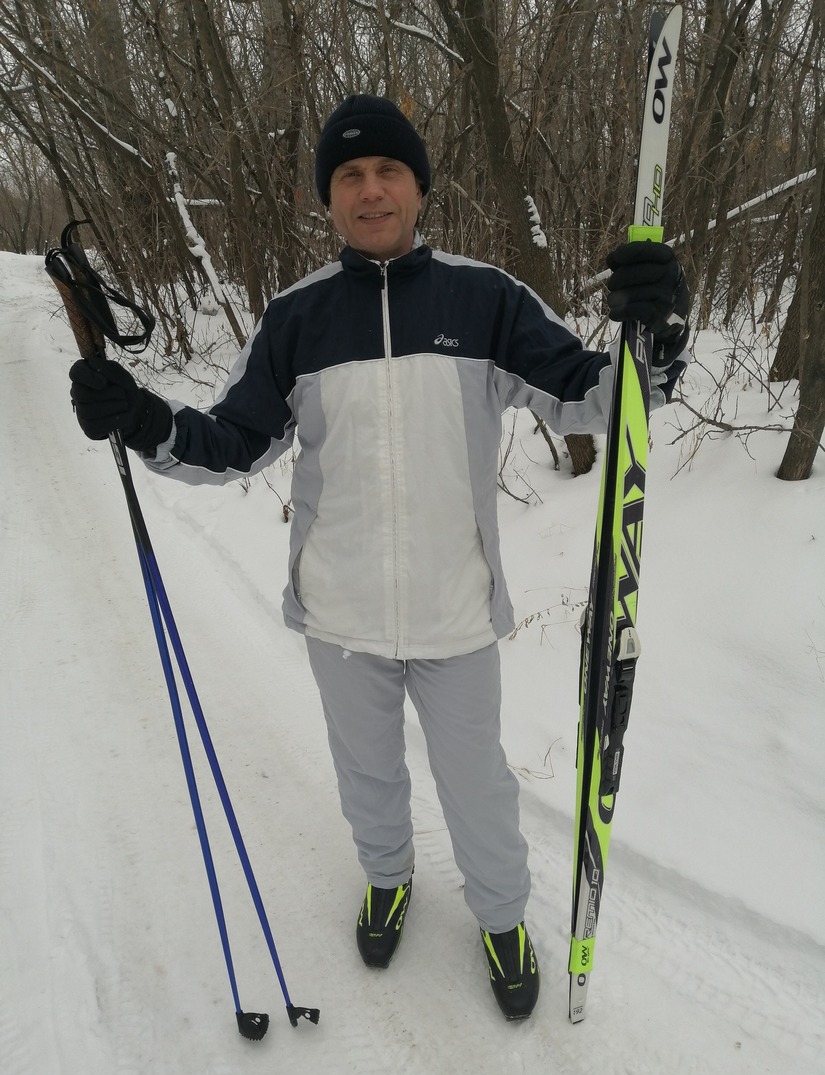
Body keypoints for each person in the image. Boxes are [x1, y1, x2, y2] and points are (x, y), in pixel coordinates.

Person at [69, 95, 690, 1022]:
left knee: (476, 782)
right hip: (340, 615)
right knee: (366, 776)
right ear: (328, 201)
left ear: (419, 188)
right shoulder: (297, 319)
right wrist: (148, 421)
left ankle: (502, 916)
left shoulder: (485, 299)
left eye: (387, 171)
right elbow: (235, 441)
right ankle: (388, 878)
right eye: (349, 177)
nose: (369, 190)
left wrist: (657, 339)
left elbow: (595, 399)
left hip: (455, 611)